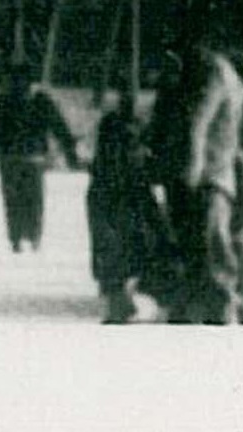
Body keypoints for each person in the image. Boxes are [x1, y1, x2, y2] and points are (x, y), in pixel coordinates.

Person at [166, 43, 243, 323]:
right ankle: (214, 318)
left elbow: (203, 124)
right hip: (212, 179)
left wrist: (194, 168)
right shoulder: (223, 74)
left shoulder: (221, 74)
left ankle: (217, 316)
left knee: (208, 255)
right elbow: (201, 123)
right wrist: (196, 166)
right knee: (208, 255)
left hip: (211, 179)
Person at [0, 68, 80, 253]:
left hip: (11, 157)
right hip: (32, 157)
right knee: (33, 199)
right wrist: (70, 151)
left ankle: (17, 237)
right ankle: (33, 236)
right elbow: (58, 126)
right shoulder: (40, 99)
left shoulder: (2, 100)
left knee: (13, 200)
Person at [86, 85, 164, 322]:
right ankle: (121, 302)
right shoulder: (129, 136)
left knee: (120, 252)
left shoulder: (123, 135)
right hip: (118, 196)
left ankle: (122, 302)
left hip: (119, 196)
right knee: (120, 252)